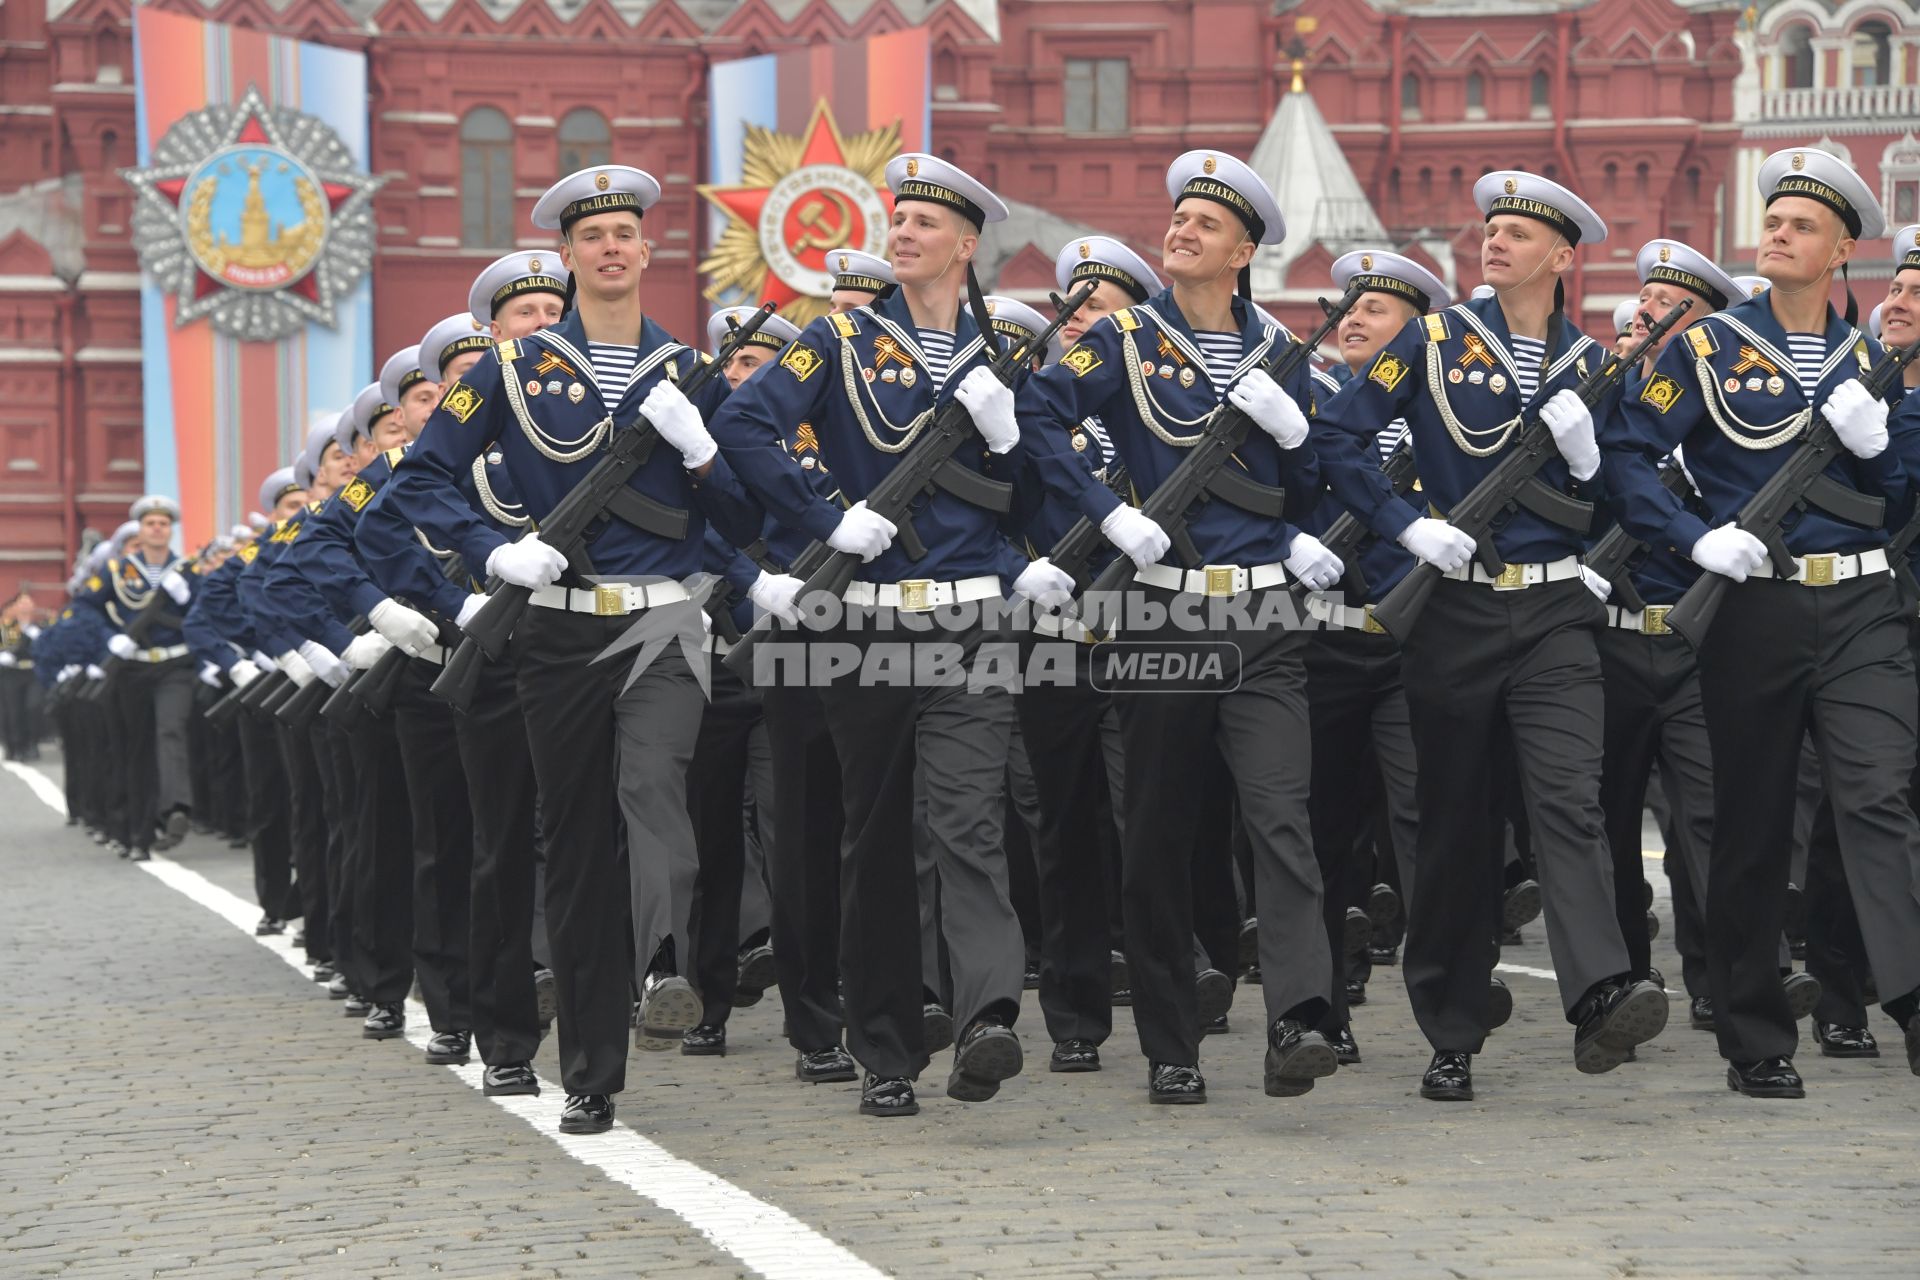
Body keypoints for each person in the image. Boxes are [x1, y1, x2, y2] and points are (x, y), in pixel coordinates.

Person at [375, 163, 761, 1135]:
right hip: (558, 623)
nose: (612, 248)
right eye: (593, 236)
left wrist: (706, 451)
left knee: (656, 796)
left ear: (647, 247)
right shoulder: (511, 370)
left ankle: (661, 961)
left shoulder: (692, 373)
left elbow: (749, 514)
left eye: (626, 231)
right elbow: (420, 483)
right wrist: (494, 547)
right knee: (579, 842)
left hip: (664, 625)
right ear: (575, 252)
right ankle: (592, 1064)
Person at [1314, 170, 1669, 1102]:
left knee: (1569, 800)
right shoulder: (1431, 342)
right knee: (1456, 825)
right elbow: (1340, 438)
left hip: (1556, 611)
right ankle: (1451, 1025)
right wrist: (1403, 525)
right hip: (1457, 611)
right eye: (1492, 229)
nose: (1496, 242)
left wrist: (1599, 463)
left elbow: (1629, 483)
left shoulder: (1592, 365)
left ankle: (1601, 990)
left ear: (1561, 257)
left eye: (1519, 233)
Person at [709, 153, 1039, 1118]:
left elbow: (1036, 503)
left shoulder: (1004, 361)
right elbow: (743, 424)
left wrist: (1010, 434)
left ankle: (986, 1016)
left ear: (967, 246)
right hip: (869, 627)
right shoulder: (840, 338)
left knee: (970, 826)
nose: (902, 233)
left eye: (925, 224)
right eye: (898, 219)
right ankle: (887, 1048)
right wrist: (825, 519)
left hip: (975, 622)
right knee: (880, 836)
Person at [1016, 150, 1341, 1105]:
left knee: (1282, 818)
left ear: (1243, 250)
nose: (1182, 231)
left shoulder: (1284, 355)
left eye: (1206, 223)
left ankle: (1299, 1020)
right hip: (1160, 610)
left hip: (1268, 615)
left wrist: (1300, 443)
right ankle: (1171, 1042)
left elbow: (1330, 479)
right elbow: (1039, 415)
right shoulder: (1120, 337)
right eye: (1180, 217)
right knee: (1156, 831)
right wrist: (1106, 512)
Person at [1607, 147, 1920, 1092]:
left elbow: (1900, 491)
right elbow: (1626, 453)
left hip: (1864, 602)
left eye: (1800, 226)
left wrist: (1881, 450)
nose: (1777, 234)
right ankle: (1754, 1036)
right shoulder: (1705, 349)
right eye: (1773, 221)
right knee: (1748, 823)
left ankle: (1908, 998)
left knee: (1876, 796)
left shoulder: (1873, 357)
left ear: (1840, 254)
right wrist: (1694, 538)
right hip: (1755, 605)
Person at [1294, 249, 1449, 1064]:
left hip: (1416, 641)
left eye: (1375, 312)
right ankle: (1322, 1006)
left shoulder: (1446, 413)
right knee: (1321, 831)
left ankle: (1446, 1016)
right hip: (1324, 639)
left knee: (1424, 819)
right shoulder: (1306, 407)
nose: (1352, 320)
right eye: (1349, 308)